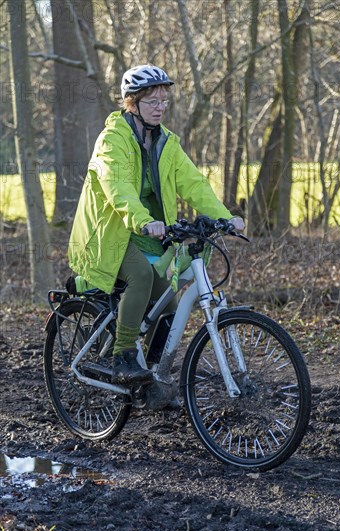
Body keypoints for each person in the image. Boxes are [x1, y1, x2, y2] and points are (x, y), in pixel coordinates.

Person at [68, 64, 245, 387]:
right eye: (152, 101)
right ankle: (122, 355)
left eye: (164, 101)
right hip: (107, 232)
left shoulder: (165, 142)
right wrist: (145, 220)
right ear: (132, 103)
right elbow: (117, 187)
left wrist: (223, 216)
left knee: (170, 304)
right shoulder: (113, 140)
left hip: (144, 234)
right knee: (141, 277)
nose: (160, 107)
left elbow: (193, 183)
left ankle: (151, 379)